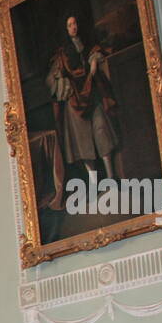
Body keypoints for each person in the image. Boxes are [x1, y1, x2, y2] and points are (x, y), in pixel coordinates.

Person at [45, 13, 122, 205]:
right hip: (74, 101)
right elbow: (52, 78)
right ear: (66, 29)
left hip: (92, 94)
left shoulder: (87, 44)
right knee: (83, 144)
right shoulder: (62, 54)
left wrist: (94, 59)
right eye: (70, 24)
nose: (73, 27)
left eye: (75, 23)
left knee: (101, 134)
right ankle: (95, 184)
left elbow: (96, 52)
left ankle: (112, 180)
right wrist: (62, 82)